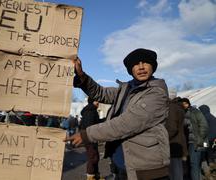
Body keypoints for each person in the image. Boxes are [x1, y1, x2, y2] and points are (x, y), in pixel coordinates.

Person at [65, 48, 170, 180]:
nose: (141, 67)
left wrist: (87, 135)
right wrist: (81, 75)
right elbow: (101, 93)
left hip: (145, 169)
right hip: (121, 163)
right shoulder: (127, 88)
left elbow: (126, 124)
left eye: (146, 63)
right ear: (130, 69)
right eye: (136, 64)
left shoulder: (156, 93)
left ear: (153, 67)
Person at [179, 98, 208, 180]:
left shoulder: (195, 112)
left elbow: (204, 125)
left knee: (194, 163)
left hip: (195, 141)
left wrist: (199, 138)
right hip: (190, 142)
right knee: (195, 164)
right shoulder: (183, 112)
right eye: (182, 104)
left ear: (189, 104)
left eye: (185, 103)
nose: (184, 105)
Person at [165, 96, 188, 180]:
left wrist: (164, 138)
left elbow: (172, 128)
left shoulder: (171, 108)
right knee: (178, 170)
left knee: (174, 171)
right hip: (179, 142)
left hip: (173, 143)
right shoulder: (178, 107)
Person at [80, 98, 101, 180]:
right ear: (92, 102)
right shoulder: (90, 111)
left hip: (91, 135)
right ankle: (91, 177)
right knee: (93, 157)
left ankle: (95, 175)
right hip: (89, 136)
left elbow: (95, 122)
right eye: (97, 101)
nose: (98, 102)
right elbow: (90, 125)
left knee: (95, 156)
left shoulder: (91, 110)